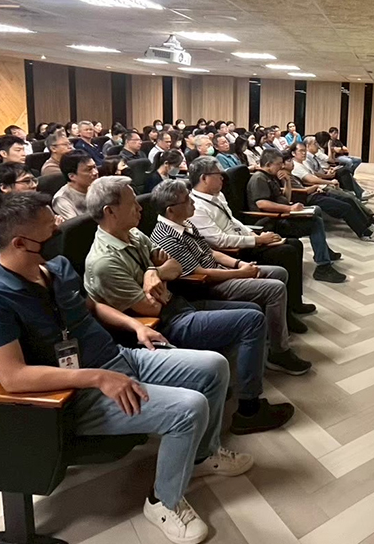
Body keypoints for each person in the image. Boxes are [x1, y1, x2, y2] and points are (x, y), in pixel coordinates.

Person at [0, 193, 253, 543]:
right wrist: (97, 377)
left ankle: (203, 455)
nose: (59, 228)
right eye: (50, 227)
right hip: (76, 394)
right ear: (20, 243)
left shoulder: (55, 268)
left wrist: (135, 327)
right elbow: (13, 377)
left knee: (213, 366)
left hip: (117, 357)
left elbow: (92, 307)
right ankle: (164, 501)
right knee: (188, 409)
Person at [82, 177, 297, 434]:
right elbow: (151, 309)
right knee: (251, 320)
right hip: (162, 325)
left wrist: (153, 272)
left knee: (252, 311)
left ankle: (231, 385)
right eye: (132, 204)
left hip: (178, 304)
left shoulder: (134, 234)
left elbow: (174, 266)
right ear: (110, 212)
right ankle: (249, 410)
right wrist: (158, 274)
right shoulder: (104, 261)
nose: (140, 209)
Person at [150, 179, 312, 375]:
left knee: (279, 272)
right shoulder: (166, 237)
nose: (192, 202)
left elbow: (210, 252)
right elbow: (198, 273)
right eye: (187, 200)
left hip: (221, 271)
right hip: (207, 286)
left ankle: (275, 333)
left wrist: (239, 264)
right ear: (171, 210)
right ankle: (279, 352)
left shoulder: (185, 223)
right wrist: (239, 274)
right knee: (275, 288)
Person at [188, 157, 318, 330]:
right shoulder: (196, 206)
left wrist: (254, 234)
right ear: (204, 178)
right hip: (232, 250)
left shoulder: (217, 195)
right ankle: (285, 315)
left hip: (244, 240)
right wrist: (256, 240)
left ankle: (295, 302)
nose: (222, 178)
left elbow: (233, 220)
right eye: (218, 175)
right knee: (286, 252)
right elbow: (218, 240)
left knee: (295, 244)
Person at [248, 149, 346, 283]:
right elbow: (262, 204)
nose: (281, 166)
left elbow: (285, 199)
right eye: (278, 164)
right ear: (269, 164)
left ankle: (324, 253)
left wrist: (287, 182)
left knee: (316, 211)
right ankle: (323, 266)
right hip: (271, 221)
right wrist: (290, 208)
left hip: (281, 215)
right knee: (315, 223)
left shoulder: (271, 177)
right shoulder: (259, 178)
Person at [281, 151, 374, 243]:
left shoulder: (291, 175)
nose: (292, 163)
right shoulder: (284, 177)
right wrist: (314, 187)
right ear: (282, 165)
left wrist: (314, 188)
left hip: (316, 193)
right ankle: (365, 233)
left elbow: (303, 185)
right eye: (289, 161)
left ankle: (368, 225)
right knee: (345, 208)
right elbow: (295, 192)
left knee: (348, 199)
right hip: (310, 199)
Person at [291, 142, 374, 227]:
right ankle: (369, 219)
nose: (304, 153)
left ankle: (369, 218)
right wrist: (329, 181)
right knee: (349, 197)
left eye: (304, 151)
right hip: (319, 188)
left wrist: (328, 174)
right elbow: (310, 179)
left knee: (349, 194)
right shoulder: (296, 166)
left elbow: (314, 173)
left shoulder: (303, 163)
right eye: (301, 151)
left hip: (321, 185)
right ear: (293, 153)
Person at [301, 136, 374, 202]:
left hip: (324, 174)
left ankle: (358, 194)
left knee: (344, 170)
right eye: (315, 143)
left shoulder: (313, 156)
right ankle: (357, 195)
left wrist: (328, 171)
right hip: (320, 179)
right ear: (307, 146)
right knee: (344, 170)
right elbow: (313, 173)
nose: (317, 146)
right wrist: (327, 176)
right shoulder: (306, 158)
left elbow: (317, 169)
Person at [52, 151, 96, 221]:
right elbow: (76, 225)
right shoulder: (62, 199)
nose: (95, 172)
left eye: (95, 167)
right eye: (89, 170)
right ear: (72, 176)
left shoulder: (100, 187)